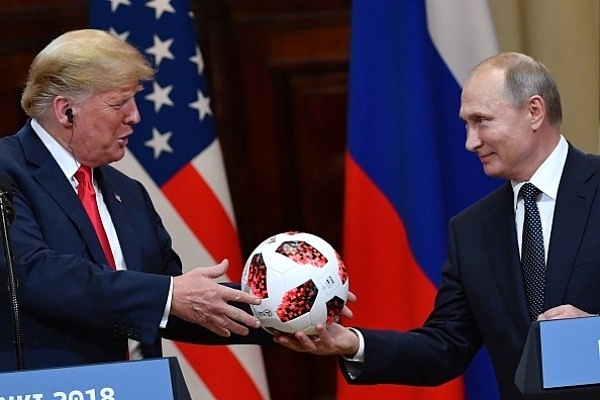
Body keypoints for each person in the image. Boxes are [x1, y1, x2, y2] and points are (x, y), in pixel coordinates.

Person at [275, 52, 600, 399]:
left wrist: (593, 340)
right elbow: (445, 347)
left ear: (534, 111)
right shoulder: (472, 230)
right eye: (466, 124)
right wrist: (351, 342)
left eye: (482, 121)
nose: (470, 142)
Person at [0, 29, 272, 372]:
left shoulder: (128, 193)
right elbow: (35, 274)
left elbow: (174, 304)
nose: (135, 116)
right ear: (66, 110)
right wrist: (169, 295)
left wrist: (284, 312)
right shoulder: (7, 169)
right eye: (119, 103)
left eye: (134, 99)